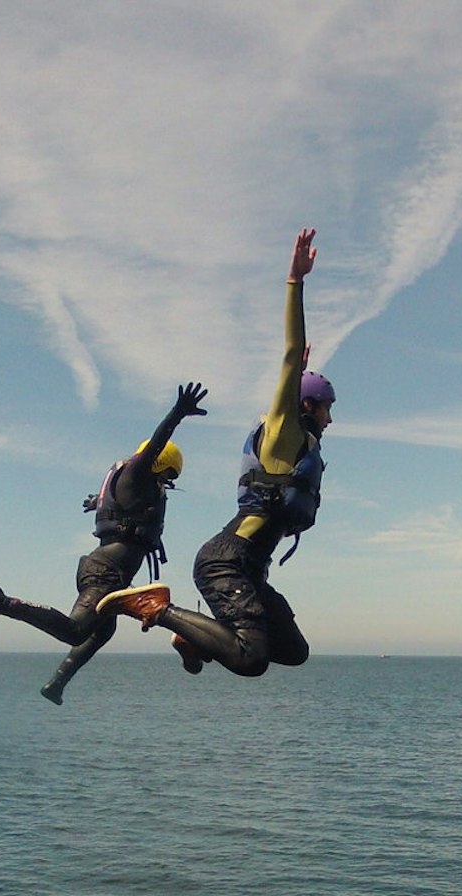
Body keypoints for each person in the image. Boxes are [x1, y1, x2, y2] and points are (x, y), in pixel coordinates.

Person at [96, 228, 329, 678]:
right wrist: (295, 281)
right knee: (251, 659)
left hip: (250, 570)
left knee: (294, 651)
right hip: (226, 561)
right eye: (326, 408)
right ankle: (156, 607)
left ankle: (193, 635)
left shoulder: (303, 447)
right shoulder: (283, 432)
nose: (330, 419)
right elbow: (287, 355)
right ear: (307, 405)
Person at [0, 382, 207, 703]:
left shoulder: (127, 486)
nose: (165, 484)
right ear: (157, 464)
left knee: (103, 631)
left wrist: (95, 503)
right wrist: (178, 414)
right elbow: (155, 445)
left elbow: (112, 503)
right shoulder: (138, 471)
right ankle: (2, 602)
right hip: (105, 571)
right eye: (166, 475)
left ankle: (57, 683)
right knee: (75, 630)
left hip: (108, 570)